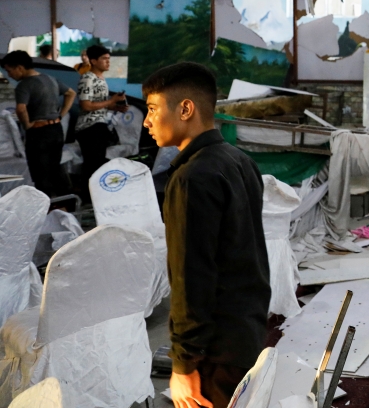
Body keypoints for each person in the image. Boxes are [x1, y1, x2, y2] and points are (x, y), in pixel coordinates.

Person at [142, 62, 270, 408]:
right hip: (246, 330)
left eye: (153, 109)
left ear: (185, 109)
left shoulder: (192, 177)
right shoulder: (239, 160)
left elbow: (191, 277)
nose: (146, 121)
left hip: (217, 348)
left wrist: (184, 363)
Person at [0, 50, 75, 197]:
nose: (9, 75)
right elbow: (71, 93)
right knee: (55, 169)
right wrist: (61, 114)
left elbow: (21, 109)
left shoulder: (24, 85)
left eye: (9, 71)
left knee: (41, 175)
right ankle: (64, 205)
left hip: (39, 133)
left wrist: (27, 125)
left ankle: (45, 209)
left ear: (20, 67)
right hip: (56, 130)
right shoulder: (51, 78)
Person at [75, 44, 126, 180]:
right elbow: (86, 105)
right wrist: (111, 101)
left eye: (109, 58)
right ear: (93, 61)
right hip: (89, 127)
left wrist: (117, 107)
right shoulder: (88, 78)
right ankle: (90, 197)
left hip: (99, 125)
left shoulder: (101, 79)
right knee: (93, 165)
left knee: (98, 163)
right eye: (104, 58)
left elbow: (98, 105)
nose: (108, 62)